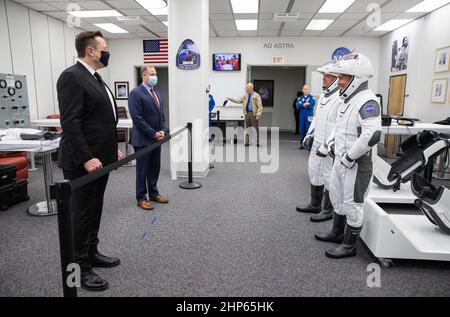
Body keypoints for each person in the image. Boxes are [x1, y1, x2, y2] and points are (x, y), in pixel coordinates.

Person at [57, 31, 122, 291]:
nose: (106, 52)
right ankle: (80, 269)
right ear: (91, 51)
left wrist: (109, 151)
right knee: (81, 215)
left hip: (100, 160)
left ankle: (91, 253)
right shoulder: (72, 77)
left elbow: (100, 121)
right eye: (104, 48)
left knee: (95, 210)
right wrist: (86, 158)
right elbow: (71, 123)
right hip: (83, 163)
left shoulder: (95, 77)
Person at [314, 53, 381, 259]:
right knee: (337, 197)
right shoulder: (346, 100)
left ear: (356, 78)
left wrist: (350, 157)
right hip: (340, 160)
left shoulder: (368, 101)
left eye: (343, 77)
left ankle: (349, 246)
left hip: (356, 164)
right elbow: (339, 128)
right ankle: (337, 232)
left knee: (353, 204)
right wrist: (331, 144)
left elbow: (372, 135)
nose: (339, 81)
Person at [296, 61, 340, 223]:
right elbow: (317, 118)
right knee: (313, 170)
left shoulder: (340, 98)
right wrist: (309, 134)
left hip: (329, 145)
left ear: (336, 78)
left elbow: (339, 125)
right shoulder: (323, 96)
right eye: (324, 76)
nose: (324, 79)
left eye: (328, 76)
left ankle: (328, 209)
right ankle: (315, 204)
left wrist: (329, 144)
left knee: (328, 175)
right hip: (317, 141)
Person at [128, 66, 169, 211]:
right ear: (144, 76)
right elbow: (137, 119)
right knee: (142, 170)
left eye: (156, 74)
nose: (155, 77)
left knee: (154, 168)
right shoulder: (135, 93)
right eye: (152, 74)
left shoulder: (156, 93)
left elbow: (160, 116)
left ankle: (153, 193)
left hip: (156, 139)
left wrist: (163, 130)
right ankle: (141, 198)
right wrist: (153, 133)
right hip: (142, 139)